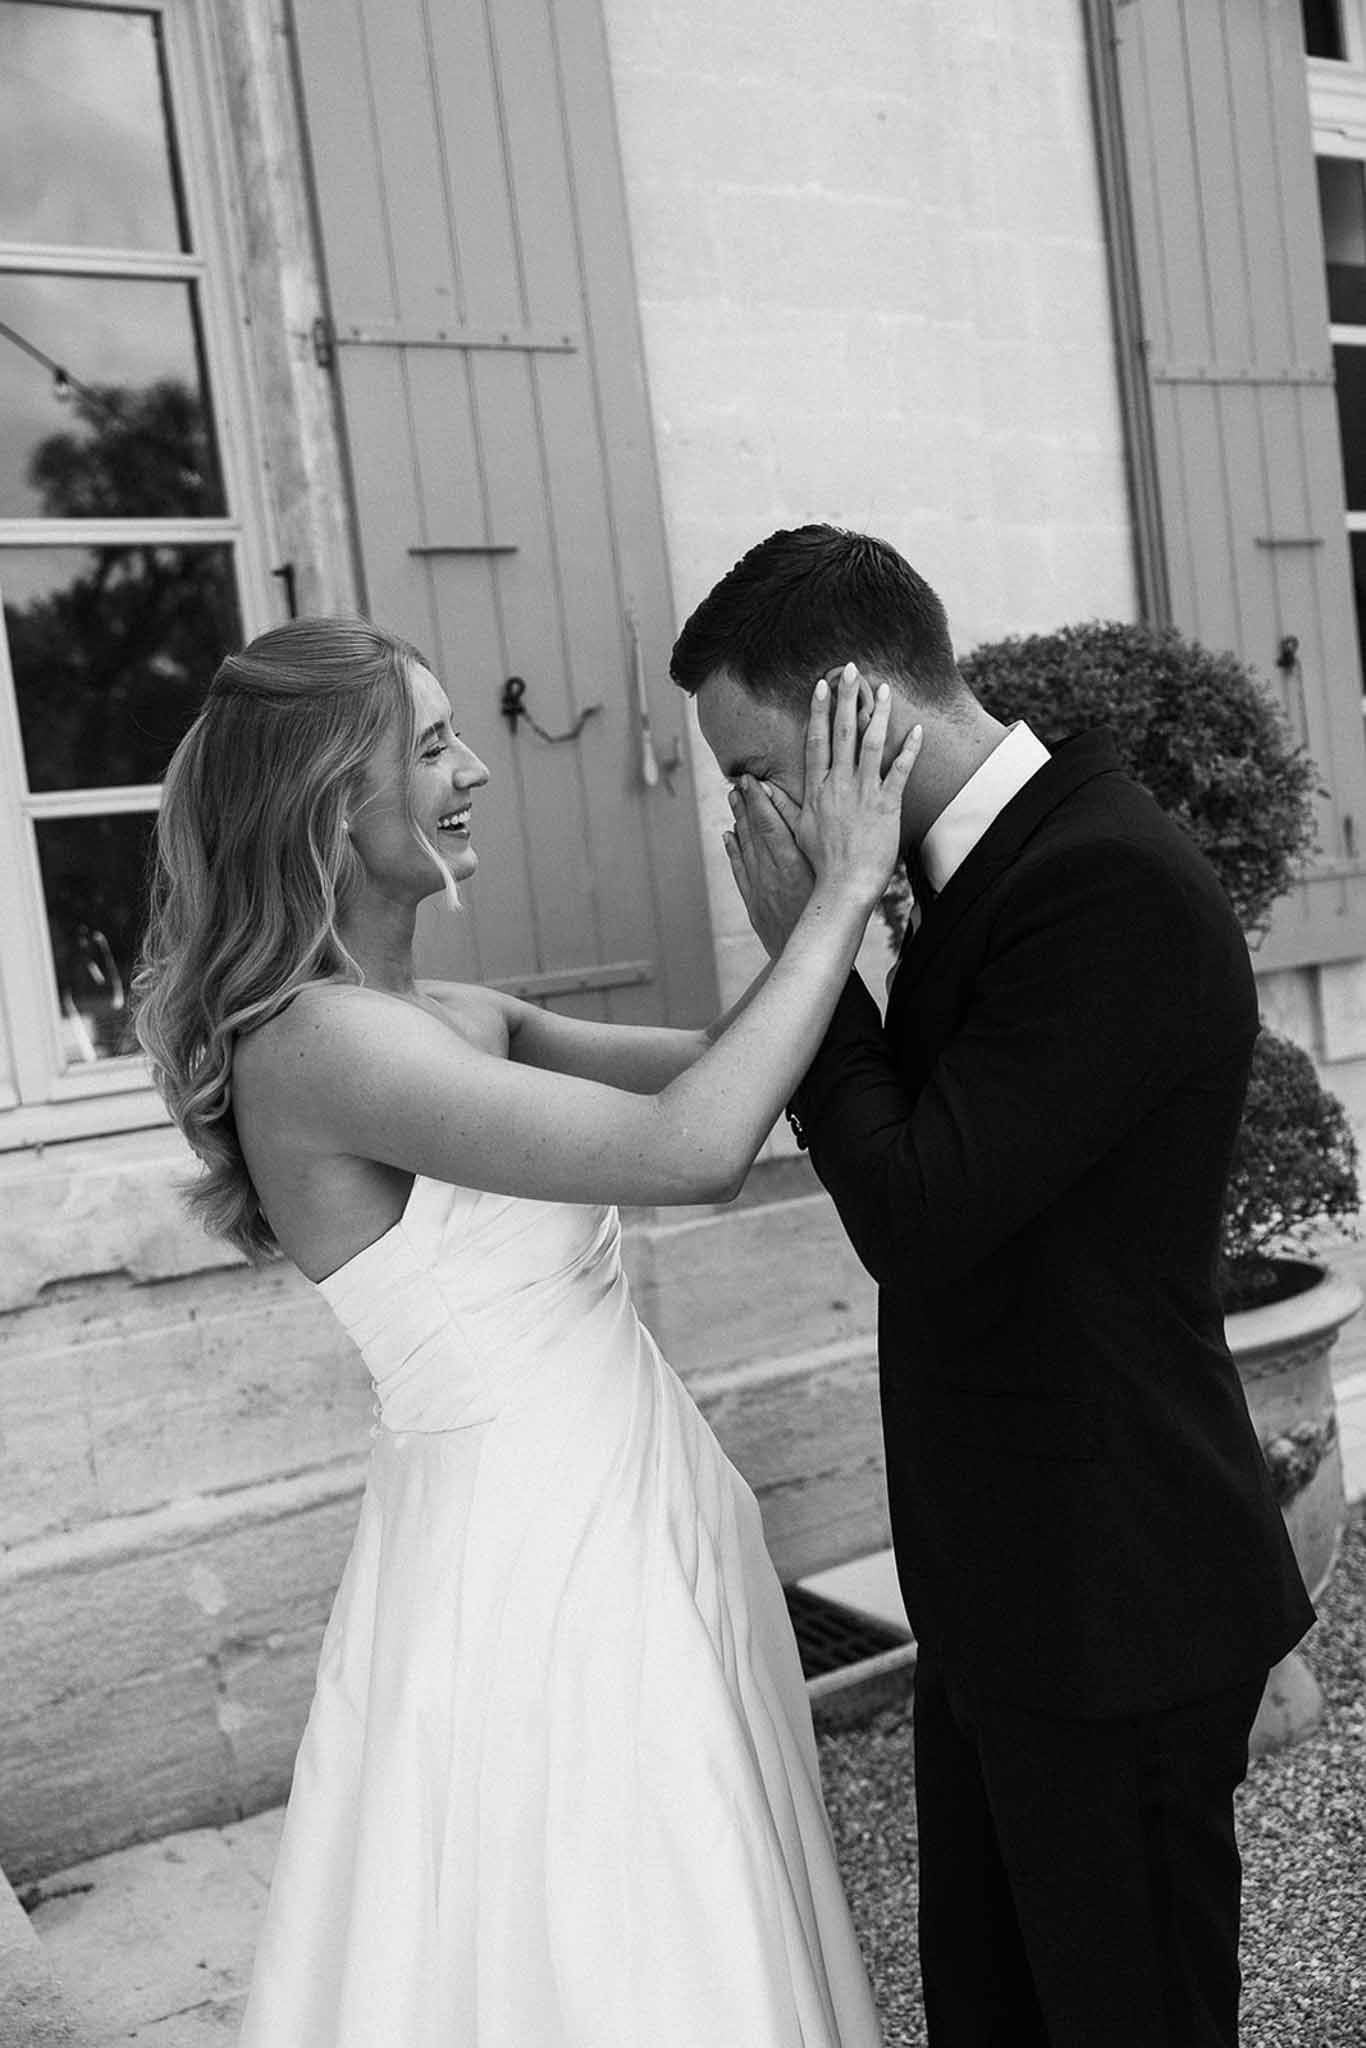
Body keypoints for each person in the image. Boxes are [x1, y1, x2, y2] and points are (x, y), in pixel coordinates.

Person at [134, 614, 919, 2048]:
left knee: (687, 1893)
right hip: (532, 1559)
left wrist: (828, 916)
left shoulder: (448, 1013)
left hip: (633, 1500)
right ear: (328, 799)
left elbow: (732, 1071)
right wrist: (842, 895)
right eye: (432, 745)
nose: (475, 770)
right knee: (606, 1920)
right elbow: (695, 1149)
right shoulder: (317, 1044)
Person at [671, 525, 1315, 2048]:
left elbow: (917, 1209)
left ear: (856, 710)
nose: (746, 816)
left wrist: (814, 943)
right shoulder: (977, 867)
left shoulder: (1103, 880)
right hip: (1011, 1595)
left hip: (1117, 1601)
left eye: (754, 769)